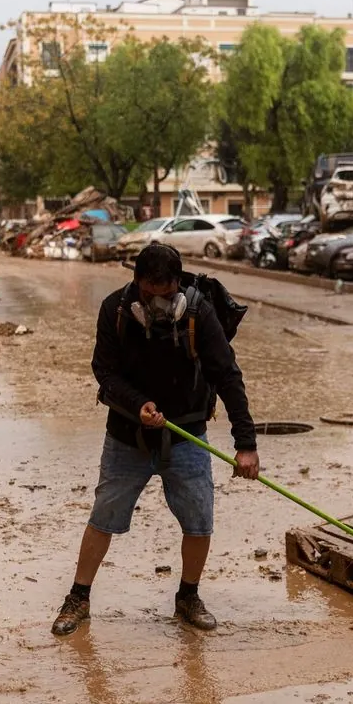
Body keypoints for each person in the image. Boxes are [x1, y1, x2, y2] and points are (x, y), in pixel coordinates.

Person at [52, 243, 259, 636]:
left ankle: (188, 597)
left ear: (177, 285)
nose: (158, 302)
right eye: (149, 293)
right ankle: (78, 598)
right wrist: (139, 404)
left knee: (199, 522)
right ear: (137, 283)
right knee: (104, 517)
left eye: (166, 294)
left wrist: (245, 443)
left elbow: (228, 375)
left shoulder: (200, 313)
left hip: (187, 437)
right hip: (127, 437)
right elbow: (105, 373)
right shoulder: (115, 310)